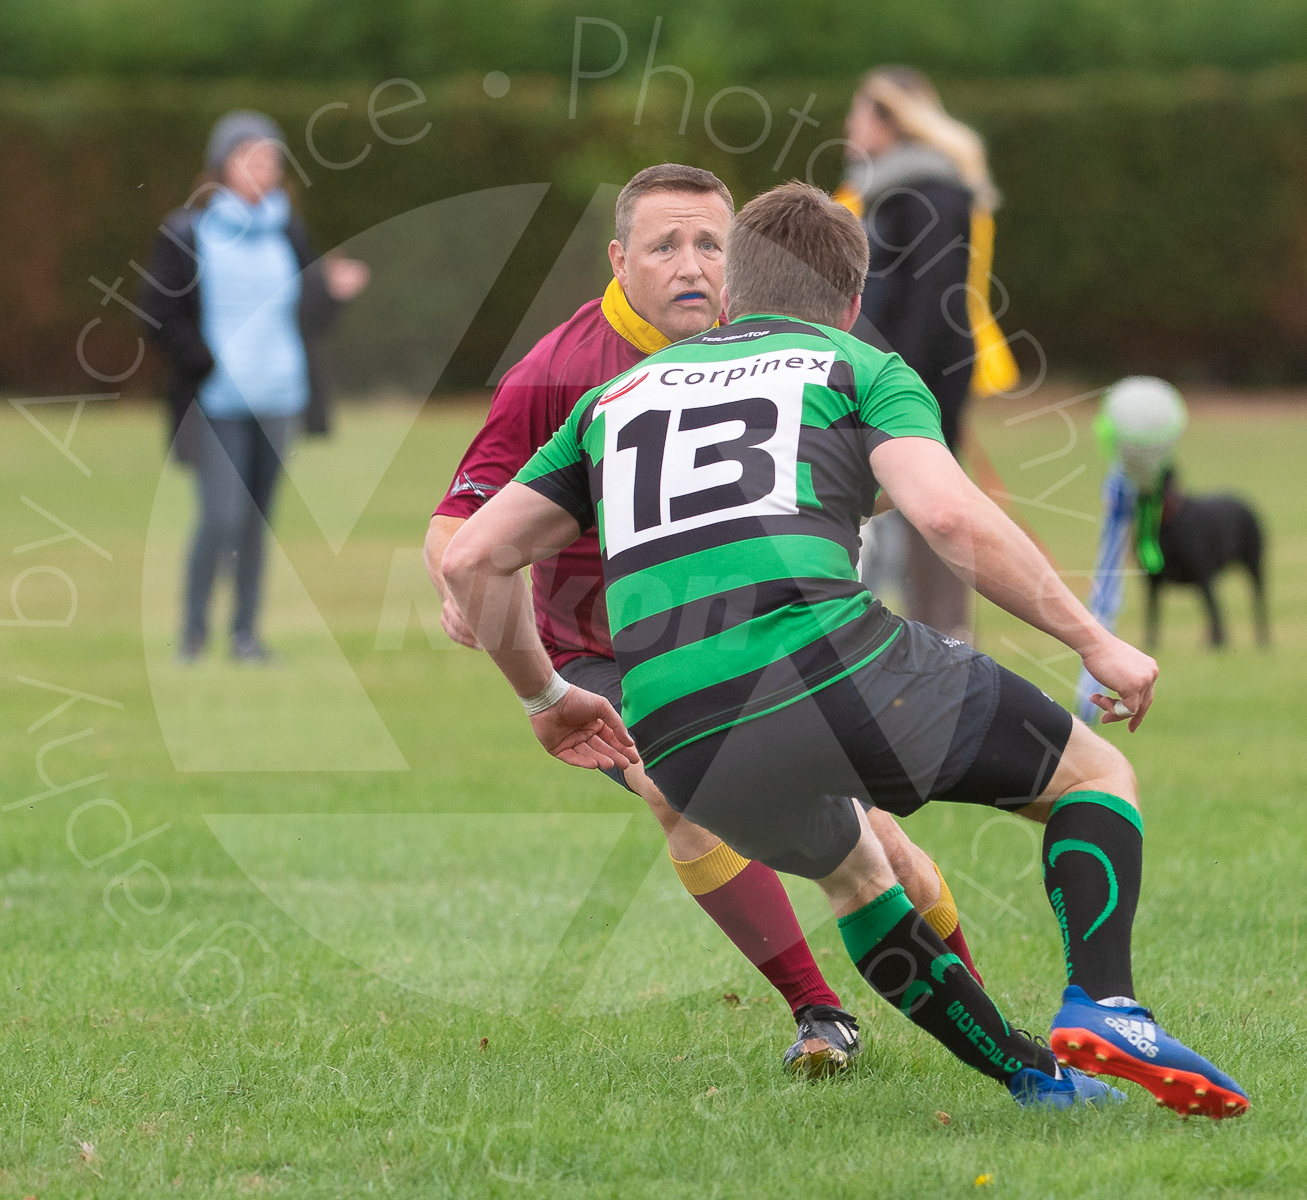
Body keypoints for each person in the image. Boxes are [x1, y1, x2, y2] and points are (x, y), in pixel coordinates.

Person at [442, 180, 1249, 1116]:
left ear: (733, 289)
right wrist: (1095, 641)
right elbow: (947, 513)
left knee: (857, 872)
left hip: (672, 726)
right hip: (829, 666)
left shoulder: (609, 400)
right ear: (852, 302)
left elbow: (469, 560)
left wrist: (547, 700)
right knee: (1095, 776)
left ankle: (1035, 1079)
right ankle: (1107, 1003)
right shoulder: (855, 365)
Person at [424, 164, 981, 1079]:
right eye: (665, 245)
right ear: (619, 259)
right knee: (678, 795)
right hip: (609, 656)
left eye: (711, 245)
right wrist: (457, 583)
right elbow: (460, 520)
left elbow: (874, 469)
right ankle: (818, 1013)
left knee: (882, 843)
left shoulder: (773, 344)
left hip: (770, 632)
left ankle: (978, 1022)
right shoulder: (556, 373)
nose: (691, 265)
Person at [139, 110, 369, 662]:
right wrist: (206, 360)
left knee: (257, 522)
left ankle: (245, 636)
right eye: (249, 157)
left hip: (279, 397)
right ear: (221, 165)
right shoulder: (187, 231)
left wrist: (333, 292)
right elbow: (155, 313)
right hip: (217, 400)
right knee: (220, 516)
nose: (260, 169)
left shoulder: (288, 228)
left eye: (269, 159)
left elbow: (310, 318)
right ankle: (193, 633)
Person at [839, 67, 1017, 644]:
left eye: (860, 113)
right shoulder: (883, 192)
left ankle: (946, 641)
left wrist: (894, 382)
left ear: (892, 121)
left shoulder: (935, 192)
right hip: (885, 370)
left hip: (918, 376)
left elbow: (934, 301)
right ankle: (865, 641)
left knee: (931, 508)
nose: (849, 125)